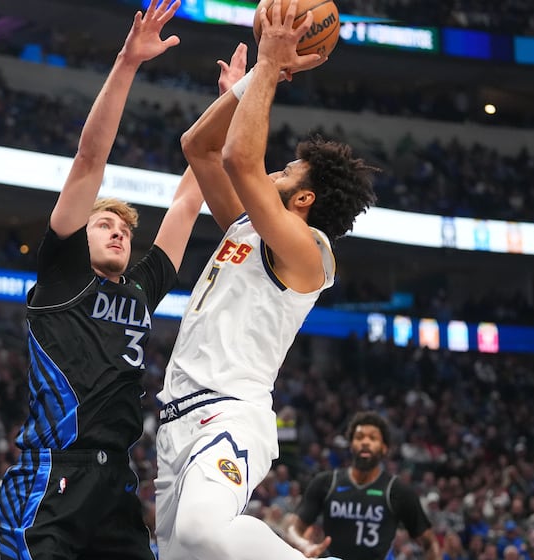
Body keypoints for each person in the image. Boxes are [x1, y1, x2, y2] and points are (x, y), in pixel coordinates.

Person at [152, 1, 378, 559]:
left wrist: (271, 68)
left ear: (303, 200)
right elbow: (198, 147)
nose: (276, 169)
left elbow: (238, 158)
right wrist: (253, 79)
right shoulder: (246, 226)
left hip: (230, 412)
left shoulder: (309, 252)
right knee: (188, 551)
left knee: (203, 532)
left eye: (288, 171)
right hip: (175, 421)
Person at [0, 1, 207, 558]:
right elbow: (90, 159)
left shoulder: (140, 289)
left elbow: (188, 199)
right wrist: (128, 63)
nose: (117, 233)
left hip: (117, 489)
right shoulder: (62, 276)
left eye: (124, 230)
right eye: (104, 223)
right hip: (51, 483)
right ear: (78, 234)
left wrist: (243, 92)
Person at [286, 412, 440, 559]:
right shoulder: (326, 482)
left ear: (384, 448)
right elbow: (293, 529)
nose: (365, 442)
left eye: (373, 438)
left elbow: (430, 542)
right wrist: (304, 545)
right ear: (351, 445)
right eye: (359, 437)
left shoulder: (397, 490)